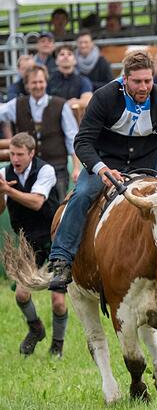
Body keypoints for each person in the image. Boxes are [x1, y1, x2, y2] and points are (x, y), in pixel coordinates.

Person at [47, 51, 157, 292]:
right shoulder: (103, 97)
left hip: (149, 158)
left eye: (148, 80)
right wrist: (101, 169)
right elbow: (82, 141)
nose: (144, 87)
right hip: (106, 160)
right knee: (82, 193)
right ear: (125, 79)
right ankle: (61, 260)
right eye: (137, 81)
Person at [0, 133, 68, 357]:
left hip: (55, 238)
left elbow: (37, 202)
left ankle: (57, 346)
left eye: (20, 154)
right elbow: (1, 209)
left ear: (31, 154)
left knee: (58, 301)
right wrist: (2, 193)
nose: (15, 159)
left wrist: (9, 190)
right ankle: (36, 328)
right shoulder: (4, 174)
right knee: (21, 295)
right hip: (29, 242)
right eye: (12, 154)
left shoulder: (45, 170)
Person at [0, 65, 81, 202]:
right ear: (27, 85)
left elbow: (72, 138)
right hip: (28, 170)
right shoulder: (17, 104)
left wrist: (76, 168)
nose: (38, 86)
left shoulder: (61, 105)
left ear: (46, 82)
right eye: (34, 82)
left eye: (41, 82)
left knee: (58, 210)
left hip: (57, 168)